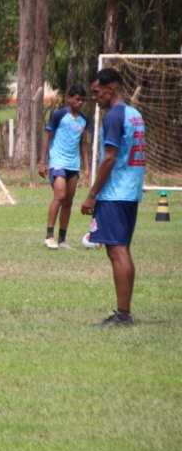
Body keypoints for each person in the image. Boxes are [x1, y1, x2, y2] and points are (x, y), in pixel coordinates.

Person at [81, 68, 145, 327]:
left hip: (115, 192)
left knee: (117, 252)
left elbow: (109, 158)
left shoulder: (114, 117)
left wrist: (92, 194)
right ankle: (123, 312)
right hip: (130, 191)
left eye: (97, 92)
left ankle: (122, 315)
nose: (94, 97)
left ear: (112, 88)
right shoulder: (134, 114)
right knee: (122, 250)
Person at [39, 86, 91, 249]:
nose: (80, 102)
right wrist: (42, 162)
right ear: (68, 98)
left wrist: (87, 168)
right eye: (77, 99)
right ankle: (49, 236)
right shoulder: (59, 115)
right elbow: (47, 138)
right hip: (57, 162)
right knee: (59, 195)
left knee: (68, 201)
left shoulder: (83, 120)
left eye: (82, 99)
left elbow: (83, 145)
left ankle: (62, 240)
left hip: (73, 165)